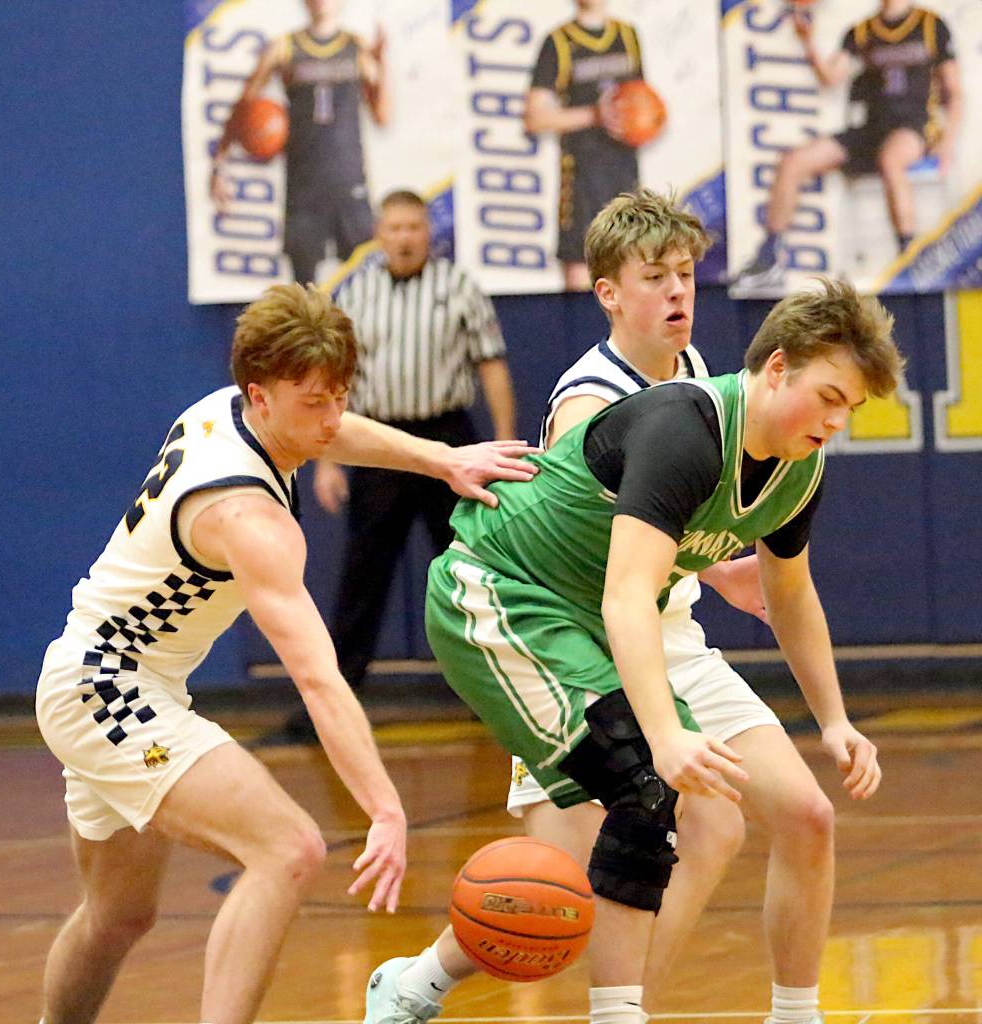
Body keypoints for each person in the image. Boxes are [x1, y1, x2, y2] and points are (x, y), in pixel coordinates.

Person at [362, 275, 902, 1024]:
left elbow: (791, 595)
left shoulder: (798, 465)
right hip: (509, 598)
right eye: (830, 397)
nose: (838, 420)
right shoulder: (683, 426)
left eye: (853, 409)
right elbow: (624, 596)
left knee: (752, 817)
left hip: (627, 625)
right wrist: (666, 730)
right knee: (627, 808)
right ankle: (482, 990)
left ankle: (778, 1013)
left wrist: (835, 719)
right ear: (777, 367)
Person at [34, 282, 538, 1024]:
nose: (332, 418)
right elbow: (317, 677)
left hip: (106, 677)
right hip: (107, 690)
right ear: (260, 394)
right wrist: (383, 806)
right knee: (289, 849)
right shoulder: (249, 516)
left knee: (117, 916)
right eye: (314, 402)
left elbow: (335, 430)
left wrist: (441, 459)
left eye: (340, 395)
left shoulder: (226, 408)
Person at [510, 187, 879, 1024]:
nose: (678, 291)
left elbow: (699, 535)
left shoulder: (703, 380)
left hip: (665, 630)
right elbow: (589, 553)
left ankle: (754, 1011)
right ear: (609, 292)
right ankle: (430, 977)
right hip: (575, 634)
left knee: (792, 816)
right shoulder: (589, 398)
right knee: (551, 882)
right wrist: (713, 571)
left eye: (686, 273)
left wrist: (715, 575)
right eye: (655, 276)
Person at [308, 189, 516, 698]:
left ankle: (494, 694)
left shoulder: (460, 286)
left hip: (447, 437)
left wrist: (505, 443)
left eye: (413, 227)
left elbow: (492, 365)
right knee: (362, 574)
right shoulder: (355, 293)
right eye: (394, 228)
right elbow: (339, 380)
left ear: (429, 233)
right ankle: (335, 701)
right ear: (379, 234)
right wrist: (328, 460)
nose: (404, 237)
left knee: (471, 570)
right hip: (379, 442)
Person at [735, 0, 962, 292]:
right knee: (794, 161)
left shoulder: (931, 25)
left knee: (891, 159)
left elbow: (954, 92)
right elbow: (831, 77)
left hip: (915, 126)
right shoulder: (862, 30)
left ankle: (909, 258)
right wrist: (808, 43)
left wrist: (947, 142)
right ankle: (768, 258)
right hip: (871, 127)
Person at [211, 0, 388, 285]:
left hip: (348, 180)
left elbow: (382, 115)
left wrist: (383, 63)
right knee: (302, 289)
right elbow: (244, 104)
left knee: (366, 282)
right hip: (304, 184)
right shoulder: (284, 47)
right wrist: (220, 163)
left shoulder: (357, 46)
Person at [524, 0, 648, 291]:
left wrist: (647, 119)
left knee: (631, 276)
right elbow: (534, 117)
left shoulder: (627, 35)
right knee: (581, 281)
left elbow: (643, 101)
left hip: (624, 175)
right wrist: (595, 114)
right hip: (581, 179)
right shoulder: (558, 41)